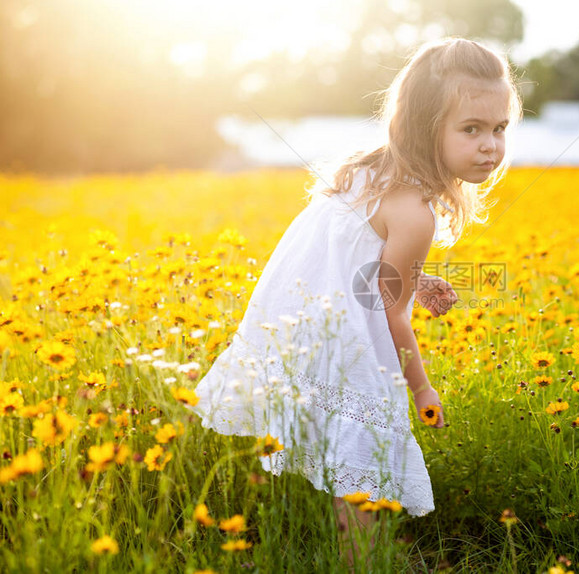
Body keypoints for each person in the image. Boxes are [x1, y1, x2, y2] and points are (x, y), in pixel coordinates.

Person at [186, 36, 521, 567]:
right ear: (423, 127)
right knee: (366, 463)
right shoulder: (415, 211)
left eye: (499, 128)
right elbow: (392, 316)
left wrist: (418, 275)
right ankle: (360, 563)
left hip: (297, 322)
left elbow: (354, 253)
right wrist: (422, 388)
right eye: (471, 129)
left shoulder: (367, 169)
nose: (490, 146)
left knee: (345, 451)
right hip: (340, 338)